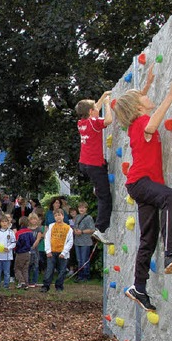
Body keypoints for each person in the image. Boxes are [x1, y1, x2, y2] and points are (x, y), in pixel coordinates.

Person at [114, 71, 172, 312]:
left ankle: (138, 287)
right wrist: (171, 94)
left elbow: (137, 101)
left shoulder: (136, 121)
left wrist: (146, 84)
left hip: (141, 185)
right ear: (137, 107)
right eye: (142, 97)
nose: (147, 97)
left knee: (148, 237)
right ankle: (170, 253)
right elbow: (152, 122)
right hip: (141, 182)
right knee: (171, 197)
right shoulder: (140, 123)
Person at [76, 90, 114, 243]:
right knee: (105, 197)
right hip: (94, 165)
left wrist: (102, 97)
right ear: (91, 112)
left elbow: (92, 109)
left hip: (84, 164)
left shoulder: (82, 122)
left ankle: (96, 187)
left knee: (100, 184)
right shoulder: (95, 123)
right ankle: (100, 229)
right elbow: (109, 120)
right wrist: (107, 104)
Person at [41, 209, 74, 293]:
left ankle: (59, 286)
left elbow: (70, 241)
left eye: (59, 215)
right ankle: (46, 286)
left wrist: (64, 252)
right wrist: (48, 251)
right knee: (49, 269)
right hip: (52, 252)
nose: (57, 217)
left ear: (63, 216)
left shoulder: (68, 228)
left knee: (62, 270)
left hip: (62, 253)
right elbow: (47, 238)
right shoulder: (51, 226)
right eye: (55, 216)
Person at [73, 202, 95, 282]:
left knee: (84, 259)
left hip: (86, 242)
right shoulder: (77, 217)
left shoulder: (89, 218)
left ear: (86, 209)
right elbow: (75, 226)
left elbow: (92, 229)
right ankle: (80, 275)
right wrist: (75, 231)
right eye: (80, 208)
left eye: (83, 208)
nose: (81, 209)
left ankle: (86, 275)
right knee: (79, 259)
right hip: (77, 241)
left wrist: (82, 232)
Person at [0, 215, 16, 289]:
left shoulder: (11, 232)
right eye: (3, 222)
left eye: (6, 221)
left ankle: (6, 285)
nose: (4, 223)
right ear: (0, 223)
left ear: (8, 223)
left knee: (7, 272)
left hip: (7, 255)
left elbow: (14, 243)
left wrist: (8, 248)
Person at [14, 217, 36, 290]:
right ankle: (26, 284)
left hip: (20, 253)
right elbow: (33, 241)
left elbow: (17, 243)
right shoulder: (30, 232)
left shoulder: (18, 233)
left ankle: (22, 281)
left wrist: (15, 249)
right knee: (25, 269)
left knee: (17, 268)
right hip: (28, 252)